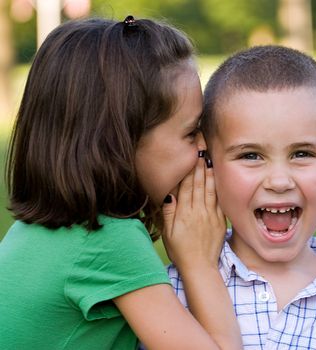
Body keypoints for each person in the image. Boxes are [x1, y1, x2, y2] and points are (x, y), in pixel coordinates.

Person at [0, 17, 242, 350]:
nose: (204, 146)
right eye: (190, 133)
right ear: (119, 145)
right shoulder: (106, 240)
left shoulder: (33, 233)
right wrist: (199, 264)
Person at [166, 45, 316, 349]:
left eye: (302, 154)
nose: (279, 181)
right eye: (251, 155)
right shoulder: (172, 292)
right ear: (208, 164)